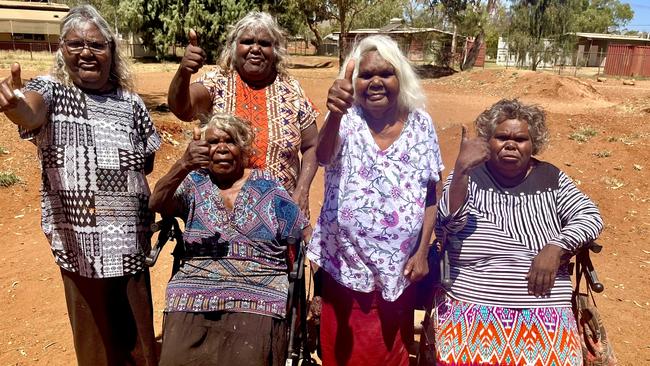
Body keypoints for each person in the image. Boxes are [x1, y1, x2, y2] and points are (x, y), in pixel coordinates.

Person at [0, 5, 159, 366]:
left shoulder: (132, 104)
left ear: (111, 52)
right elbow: (31, 111)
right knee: (95, 348)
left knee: (140, 347)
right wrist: (15, 108)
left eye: (96, 45)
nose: (86, 52)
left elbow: (147, 161)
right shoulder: (52, 92)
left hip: (129, 243)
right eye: (75, 44)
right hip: (79, 247)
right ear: (62, 51)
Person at [434, 99, 604, 365]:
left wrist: (556, 246)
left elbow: (590, 216)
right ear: (488, 142)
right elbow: (448, 223)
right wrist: (462, 171)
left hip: (544, 306)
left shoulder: (551, 179)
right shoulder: (468, 175)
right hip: (472, 302)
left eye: (521, 139)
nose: (510, 144)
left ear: (533, 143)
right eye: (501, 137)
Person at [307, 35, 444, 365]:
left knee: (390, 352)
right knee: (342, 354)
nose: (376, 82)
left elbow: (431, 194)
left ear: (401, 77)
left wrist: (423, 251)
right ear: (354, 81)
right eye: (366, 76)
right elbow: (323, 156)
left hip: (399, 271)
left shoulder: (421, 124)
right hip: (344, 266)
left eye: (386, 73)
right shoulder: (345, 118)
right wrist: (335, 114)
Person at [149, 114, 308, 366]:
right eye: (213, 142)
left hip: (259, 285)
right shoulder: (193, 182)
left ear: (242, 148)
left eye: (230, 141)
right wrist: (183, 164)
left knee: (248, 358)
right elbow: (156, 202)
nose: (221, 148)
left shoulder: (268, 186)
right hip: (195, 282)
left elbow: (302, 231)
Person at [167, 11, 318, 215]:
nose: (255, 49)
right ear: (234, 47)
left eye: (264, 43)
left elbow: (312, 145)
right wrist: (184, 72)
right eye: (247, 41)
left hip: (281, 216)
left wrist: (302, 190)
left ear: (276, 50)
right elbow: (182, 108)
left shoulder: (292, 90)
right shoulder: (217, 81)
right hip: (222, 218)